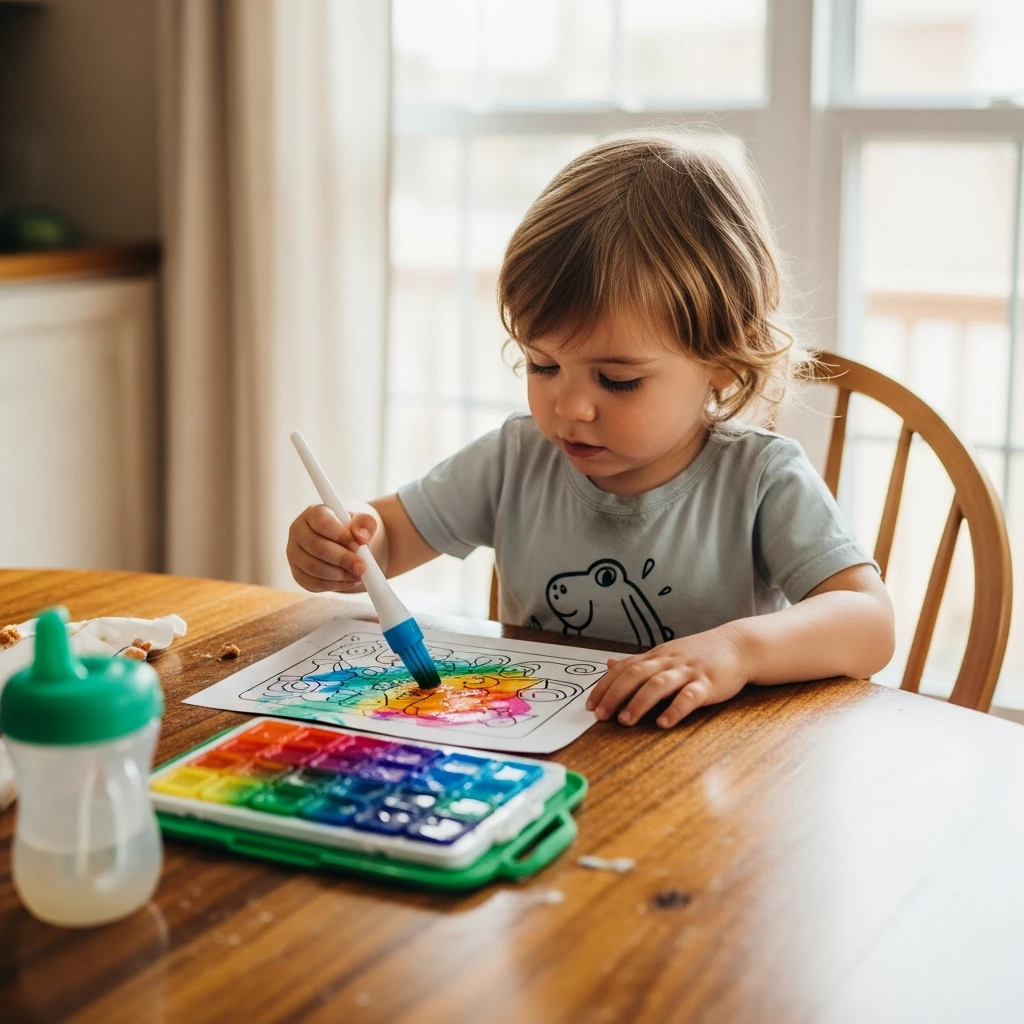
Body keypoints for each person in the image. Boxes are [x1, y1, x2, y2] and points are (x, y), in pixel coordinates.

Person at [286, 131, 895, 730]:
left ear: (724, 363)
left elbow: (868, 622)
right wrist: (346, 544)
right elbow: (390, 535)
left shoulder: (761, 478)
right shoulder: (516, 457)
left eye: (617, 379)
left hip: (701, 778)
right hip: (538, 751)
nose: (570, 406)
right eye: (543, 365)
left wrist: (738, 650)